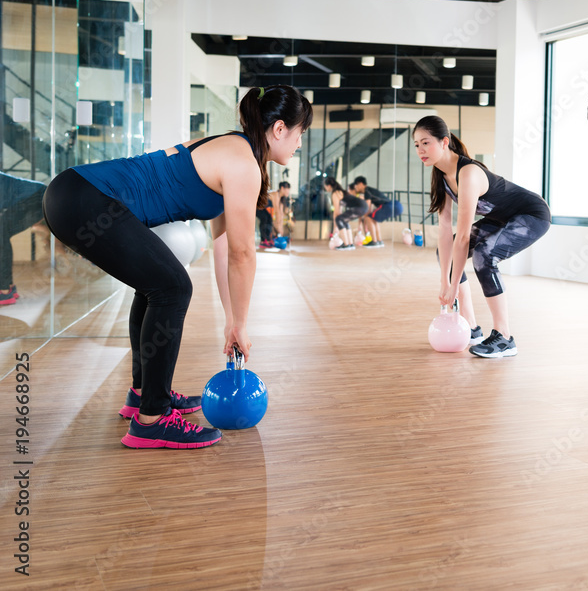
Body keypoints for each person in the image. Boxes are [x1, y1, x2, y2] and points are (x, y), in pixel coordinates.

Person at [42, 84, 312, 449]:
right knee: (172, 288)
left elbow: (223, 249)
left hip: (71, 194)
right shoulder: (244, 164)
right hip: (87, 201)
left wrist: (233, 322)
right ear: (280, 129)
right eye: (300, 134)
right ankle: (152, 420)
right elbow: (242, 255)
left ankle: (144, 395)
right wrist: (242, 325)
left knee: (157, 285)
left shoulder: (231, 146)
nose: (299, 144)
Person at [415, 115, 550, 358]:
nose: (420, 150)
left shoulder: (467, 173)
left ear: (444, 142)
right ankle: (472, 328)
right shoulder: (441, 176)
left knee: (484, 255)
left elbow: (463, 237)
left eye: (426, 143)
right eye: (416, 145)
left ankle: (505, 337)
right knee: (444, 254)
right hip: (501, 219)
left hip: (532, 214)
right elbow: (446, 232)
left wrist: (454, 284)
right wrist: (445, 281)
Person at [0, 172, 46, 305]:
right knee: (2, 234)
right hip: (36, 197)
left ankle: (4, 291)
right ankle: (8, 287)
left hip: (35, 198)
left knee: (1, 234)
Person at [353, 175, 403, 247]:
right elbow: (369, 208)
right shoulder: (369, 191)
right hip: (397, 206)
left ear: (361, 184)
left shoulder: (367, 191)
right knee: (373, 219)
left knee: (368, 218)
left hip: (389, 206)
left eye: (356, 185)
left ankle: (374, 241)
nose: (355, 187)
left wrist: (363, 218)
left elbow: (367, 207)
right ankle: (379, 241)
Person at [324, 177, 368, 250]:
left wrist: (335, 227)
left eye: (325, 187)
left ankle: (346, 244)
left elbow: (336, 211)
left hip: (361, 207)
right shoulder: (339, 192)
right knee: (343, 220)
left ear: (328, 186)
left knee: (339, 219)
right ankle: (350, 244)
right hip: (363, 206)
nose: (325, 188)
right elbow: (339, 211)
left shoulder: (335, 193)